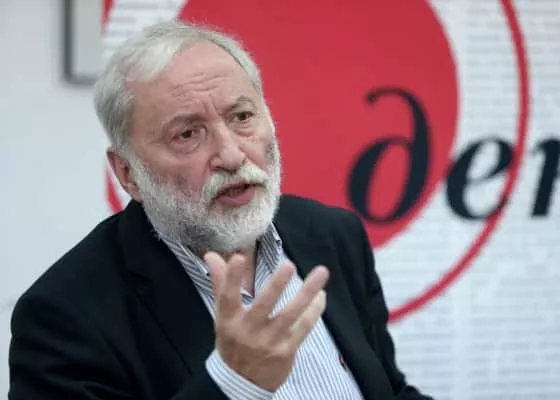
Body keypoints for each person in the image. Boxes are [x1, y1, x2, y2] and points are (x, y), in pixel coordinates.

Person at [8, 21, 433, 400]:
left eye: (242, 117)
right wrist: (234, 383)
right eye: (187, 134)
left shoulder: (333, 235)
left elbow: (388, 390)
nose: (231, 154)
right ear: (128, 173)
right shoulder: (64, 316)